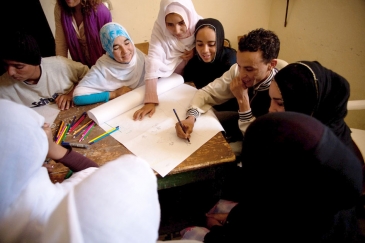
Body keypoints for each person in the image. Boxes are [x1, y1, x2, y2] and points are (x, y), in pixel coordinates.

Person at [182, 112, 364, 242]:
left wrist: (214, 229)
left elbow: (248, 230)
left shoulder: (280, 221)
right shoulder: (327, 192)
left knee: (190, 233)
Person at [0, 98, 161, 243]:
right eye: (40, 127)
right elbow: (93, 171)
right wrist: (53, 148)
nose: (47, 126)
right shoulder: (60, 209)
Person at [175, 28, 282, 142]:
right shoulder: (237, 71)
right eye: (239, 65)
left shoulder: (279, 93)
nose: (241, 75)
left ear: (271, 65)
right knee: (202, 122)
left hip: (255, 142)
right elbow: (207, 92)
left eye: (249, 69)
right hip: (239, 121)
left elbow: (259, 142)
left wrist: (242, 102)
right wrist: (190, 118)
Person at [268, 61, 357, 156]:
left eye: (280, 103)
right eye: (271, 99)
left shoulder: (326, 157)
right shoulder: (298, 129)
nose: (270, 109)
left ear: (306, 105)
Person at [133, 0, 202, 121]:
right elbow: (153, 60)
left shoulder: (201, 25)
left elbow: (211, 48)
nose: (177, 30)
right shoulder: (160, 28)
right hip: (169, 81)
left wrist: (196, 50)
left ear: (188, 16)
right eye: (170, 24)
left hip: (196, 83)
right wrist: (150, 100)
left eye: (181, 23)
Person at [0, 31, 89, 110]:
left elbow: (89, 75)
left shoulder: (60, 64)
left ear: (36, 62)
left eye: (18, 66)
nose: (10, 72)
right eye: (6, 65)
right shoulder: (3, 87)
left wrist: (71, 94)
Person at [73, 22, 145, 105]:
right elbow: (78, 98)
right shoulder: (103, 67)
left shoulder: (138, 56)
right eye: (116, 48)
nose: (125, 51)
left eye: (127, 43)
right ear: (109, 50)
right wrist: (114, 94)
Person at [183, 18, 238, 113]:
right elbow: (185, 79)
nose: (205, 50)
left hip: (229, 112)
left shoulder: (231, 61)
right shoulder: (195, 61)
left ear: (220, 42)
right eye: (200, 44)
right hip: (203, 107)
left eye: (211, 44)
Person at [54, 0, 112, 67]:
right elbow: (61, 45)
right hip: (80, 66)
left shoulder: (101, 11)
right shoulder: (60, 8)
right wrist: (61, 70)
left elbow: (109, 49)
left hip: (102, 66)